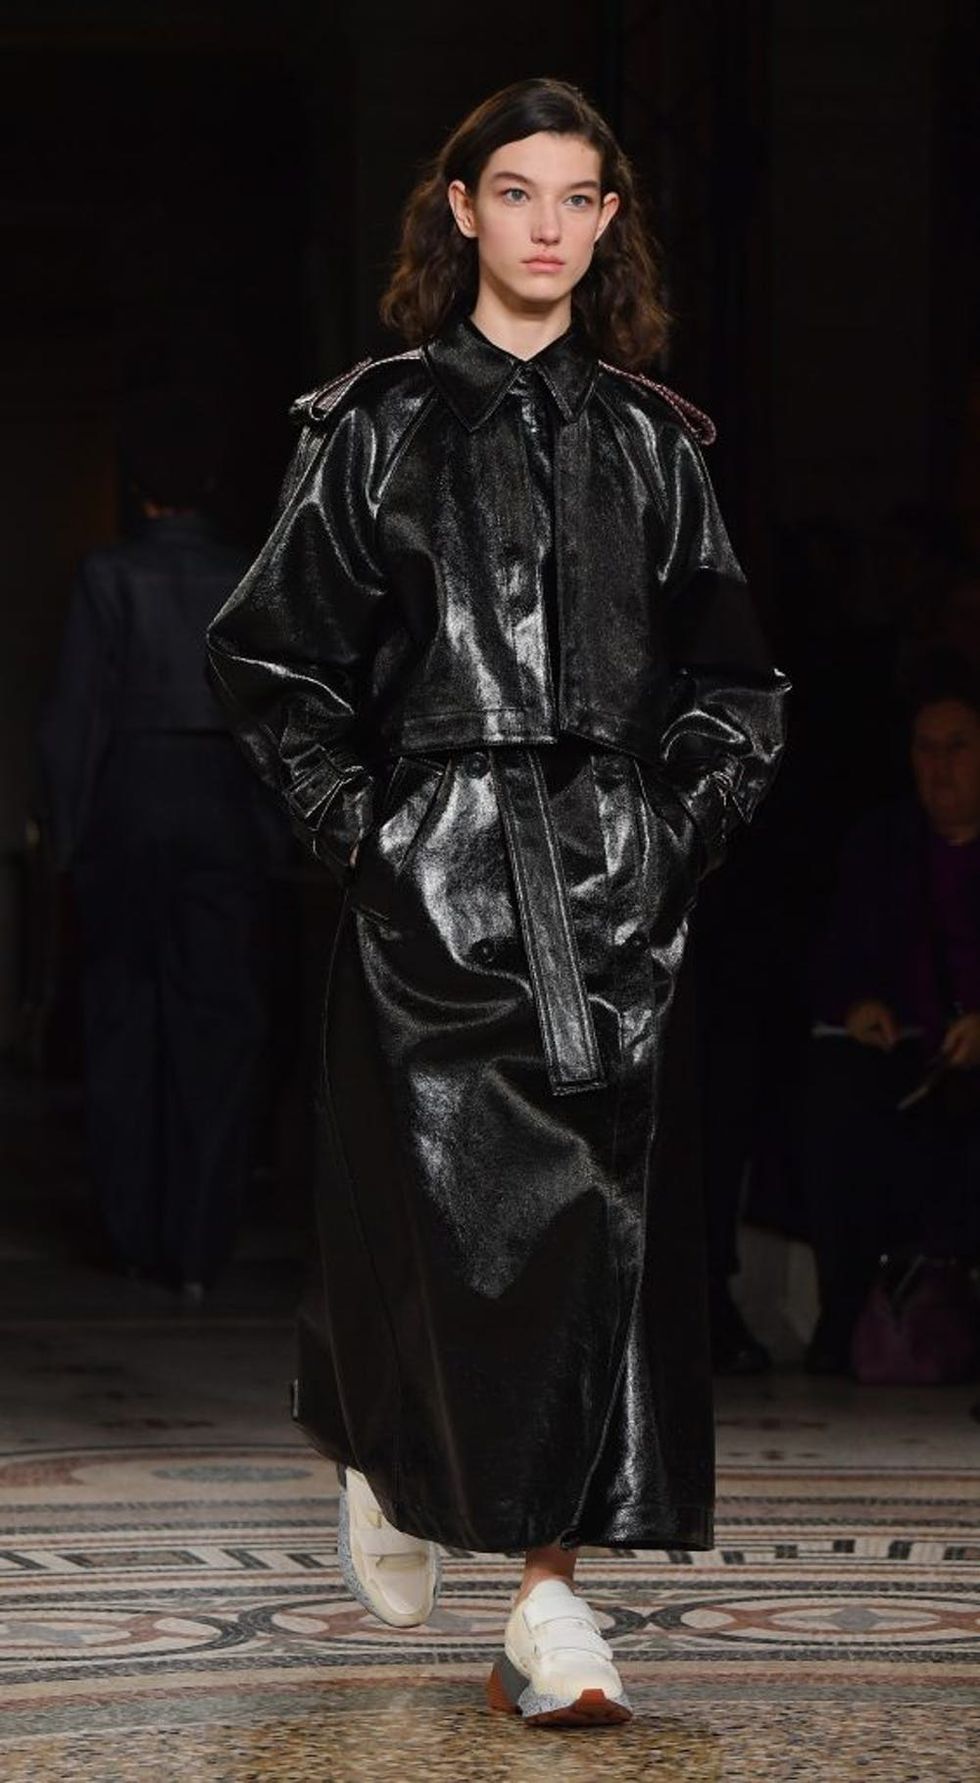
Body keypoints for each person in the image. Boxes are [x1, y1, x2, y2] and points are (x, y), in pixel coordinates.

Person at [207, 78, 788, 1729]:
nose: (546, 222)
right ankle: (392, 1449)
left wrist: (669, 834)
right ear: (458, 208)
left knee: (597, 1230)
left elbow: (737, 687)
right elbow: (269, 660)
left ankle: (552, 1600)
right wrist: (376, 833)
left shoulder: (653, 445)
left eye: (579, 196)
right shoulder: (374, 425)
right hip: (436, 873)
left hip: (611, 883)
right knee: (434, 1215)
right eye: (515, 190)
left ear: (607, 224)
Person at [38, 390, 279, 1301]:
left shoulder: (106, 577)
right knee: (219, 1030)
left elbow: (73, 721)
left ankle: (136, 1235)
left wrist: (67, 837)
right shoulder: (243, 574)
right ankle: (198, 1249)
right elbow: (270, 714)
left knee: (124, 1023)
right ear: (211, 482)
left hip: (128, 811)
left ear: (136, 485)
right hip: (222, 808)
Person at [803, 656, 980, 1373]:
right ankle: (851, 1317)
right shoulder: (882, 843)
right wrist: (858, 1004)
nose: (939, 765)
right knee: (832, 1094)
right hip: (907, 1056)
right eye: (925, 747)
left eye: (958, 745)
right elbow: (832, 953)